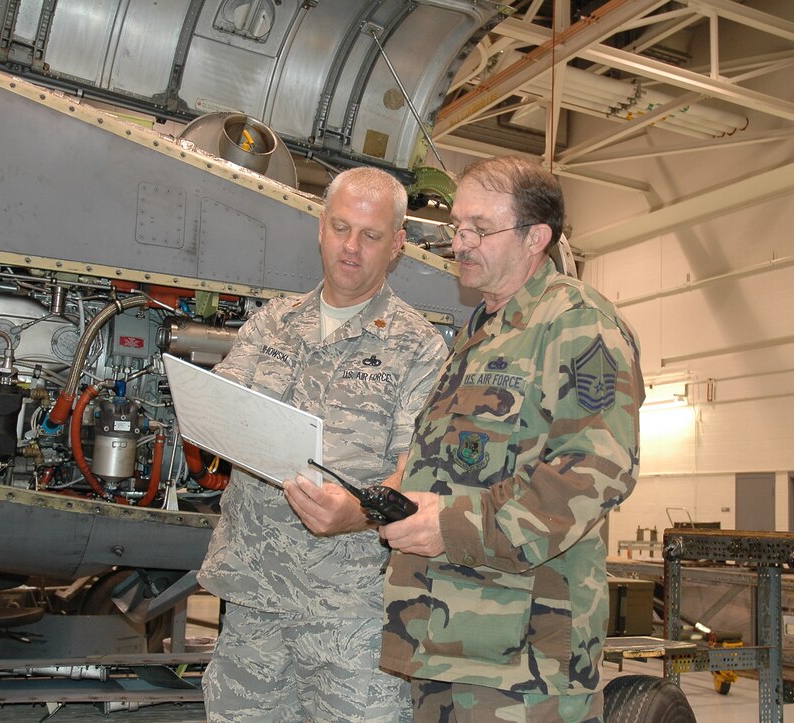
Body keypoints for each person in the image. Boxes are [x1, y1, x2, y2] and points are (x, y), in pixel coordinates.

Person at [380, 155, 644, 722]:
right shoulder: (481, 332)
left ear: (536, 238)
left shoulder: (577, 323)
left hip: (527, 656)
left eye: (480, 228)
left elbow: (595, 470)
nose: (461, 242)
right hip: (449, 635)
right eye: (457, 227)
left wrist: (448, 525)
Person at [197, 166, 449, 722]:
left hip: (350, 610)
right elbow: (221, 411)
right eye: (340, 228)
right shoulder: (272, 324)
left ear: (399, 244)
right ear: (320, 228)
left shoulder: (418, 348)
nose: (351, 247)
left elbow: (419, 471)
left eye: (371, 235)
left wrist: (358, 513)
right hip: (253, 597)